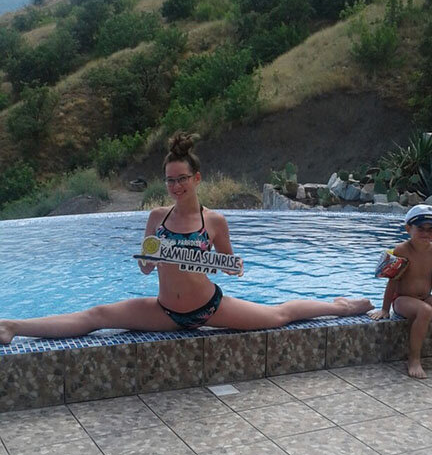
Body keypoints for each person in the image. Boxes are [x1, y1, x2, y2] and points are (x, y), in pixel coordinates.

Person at [0, 131, 373, 345]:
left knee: (279, 315)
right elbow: (146, 269)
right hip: (165, 311)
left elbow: (231, 269)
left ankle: (342, 306)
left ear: (196, 179)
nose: (176, 186)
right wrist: (154, 255)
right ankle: (13, 326)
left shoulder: (214, 221)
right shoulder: (157, 217)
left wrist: (230, 264)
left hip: (210, 307)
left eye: (182, 179)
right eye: (170, 180)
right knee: (97, 316)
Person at [369, 203, 432, 379]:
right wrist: (385, 309)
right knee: (425, 311)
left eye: (431, 229)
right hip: (402, 299)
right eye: (421, 228)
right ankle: (414, 359)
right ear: (408, 229)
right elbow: (393, 281)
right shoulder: (402, 250)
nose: (426, 233)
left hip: (426, 296)